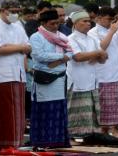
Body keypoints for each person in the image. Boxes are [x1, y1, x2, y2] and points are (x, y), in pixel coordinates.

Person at [0, 0, 31, 150]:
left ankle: (16, 143)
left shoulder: (18, 26)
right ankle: (0, 144)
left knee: (18, 113)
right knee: (3, 112)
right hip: (2, 75)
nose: (16, 14)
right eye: (13, 11)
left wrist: (11, 47)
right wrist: (19, 47)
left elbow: (28, 47)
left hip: (19, 74)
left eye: (18, 11)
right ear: (3, 10)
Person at [29, 10, 71, 148]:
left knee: (58, 109)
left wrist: (58, 60)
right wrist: (60, 57)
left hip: (60, 77)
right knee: (45, 109)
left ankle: (58, 140)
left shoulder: (62, 36)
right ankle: (43, 141)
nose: (55, 26)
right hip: (45, 78)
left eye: (58, 23)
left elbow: (71, 52)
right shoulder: (36, 37)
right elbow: (39, 55)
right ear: (43, 23)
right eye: (52, 23)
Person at [66, 11, 108, 137]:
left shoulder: (93, 38)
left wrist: (96, 55)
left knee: (92, 109)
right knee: (77, 109)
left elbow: (103, 58)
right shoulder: (70, 39)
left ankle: (91, 135)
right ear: (75, 23)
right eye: (84, 21)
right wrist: (97, 54)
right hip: (78, 79)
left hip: (92, 78)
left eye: (89, 21)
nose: (88, 24)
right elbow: (78, 57)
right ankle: (74, 135)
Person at [88, 7, 118, 137]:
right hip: (102, 74)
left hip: (116, 72)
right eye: (109, 19)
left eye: (113, 19)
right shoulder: (93, 32)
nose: (111, 22)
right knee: (103, 104)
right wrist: (112, 31)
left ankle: (115, 129)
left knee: (116, 104)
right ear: (99, 18)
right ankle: (103, 130)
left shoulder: (114, 31)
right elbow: (100, 48)